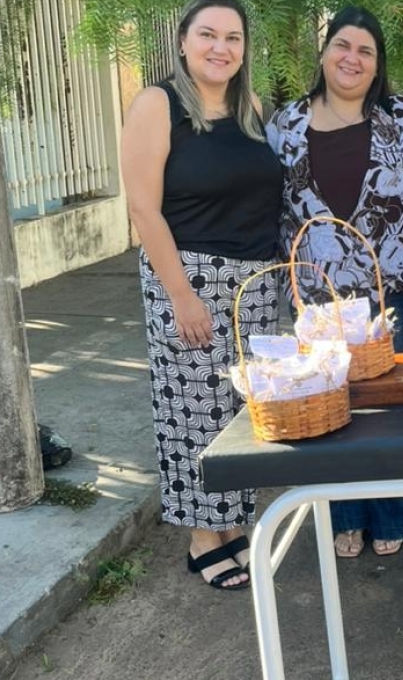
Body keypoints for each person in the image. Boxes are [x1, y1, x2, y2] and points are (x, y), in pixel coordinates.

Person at [121, 0, 282, 590]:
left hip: (254, 284)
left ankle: (231, 522)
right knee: (192, 414)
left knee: (241, 410)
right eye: (208, 35)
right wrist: (182, 296)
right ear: (184, 42)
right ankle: (201, 538)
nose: (221, 47)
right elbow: (144, 208)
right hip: (188, 277)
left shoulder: (251, 108)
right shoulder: (157, 104)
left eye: (233, 37)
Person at [266, 6, 403, 559]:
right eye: (343, 45)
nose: (352, 58)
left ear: (378, 64)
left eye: (366, 50)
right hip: (318, 301)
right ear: (324, 52)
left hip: (387, 298)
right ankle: (345, 515)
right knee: (330, 412)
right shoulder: (286, 124)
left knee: (389, 413)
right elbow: (274, 205)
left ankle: (390, 513)